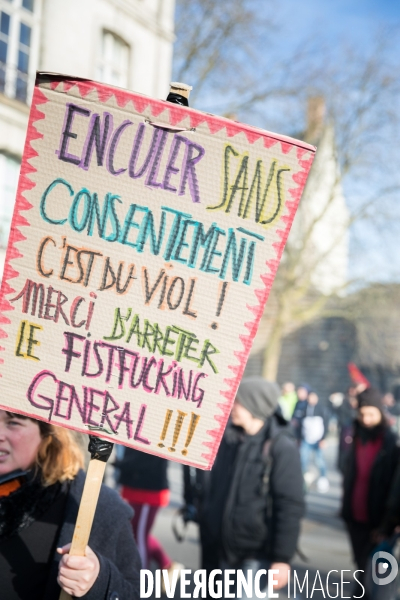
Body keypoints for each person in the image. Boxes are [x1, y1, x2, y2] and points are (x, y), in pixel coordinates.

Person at [0, 410, 141, 600]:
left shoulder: (100, 508)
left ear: (48, 432)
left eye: (13, 422)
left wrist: (99, 582)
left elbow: (135, 593)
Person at [189, 377, 304, 598]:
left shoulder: (281, 447)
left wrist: (282, 559)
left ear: (254, 406)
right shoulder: (228, 439)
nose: (232, 406)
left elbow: (289, 506)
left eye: (238, 402)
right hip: (215, 547)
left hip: (254, 554)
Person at [341, 387, 400, 598]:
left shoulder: (391, 442)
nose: (366, 419)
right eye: (362, 414)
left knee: (372, 573)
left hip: (378, 518)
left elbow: (394, 486)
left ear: (380, 413)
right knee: (360, 565)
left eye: (371, 414)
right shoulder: (352, 435)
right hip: (354, 514)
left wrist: (387, 523)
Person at [117, 448, 182, 577]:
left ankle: (141, 580)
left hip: (149, 488)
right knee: (136, 532)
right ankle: (166, 564)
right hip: (135, 484)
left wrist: (121, 464)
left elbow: (147, 459)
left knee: (140, 537)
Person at [299, 391, 329, 492]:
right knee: (303, 460)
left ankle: (323, 479)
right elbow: (300, 425)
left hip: (318, 439)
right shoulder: (304, 409)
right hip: (306, 439)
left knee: (319, 461)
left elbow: (326, 424)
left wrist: (323, 439)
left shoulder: (322, 409)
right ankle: (303, 480)